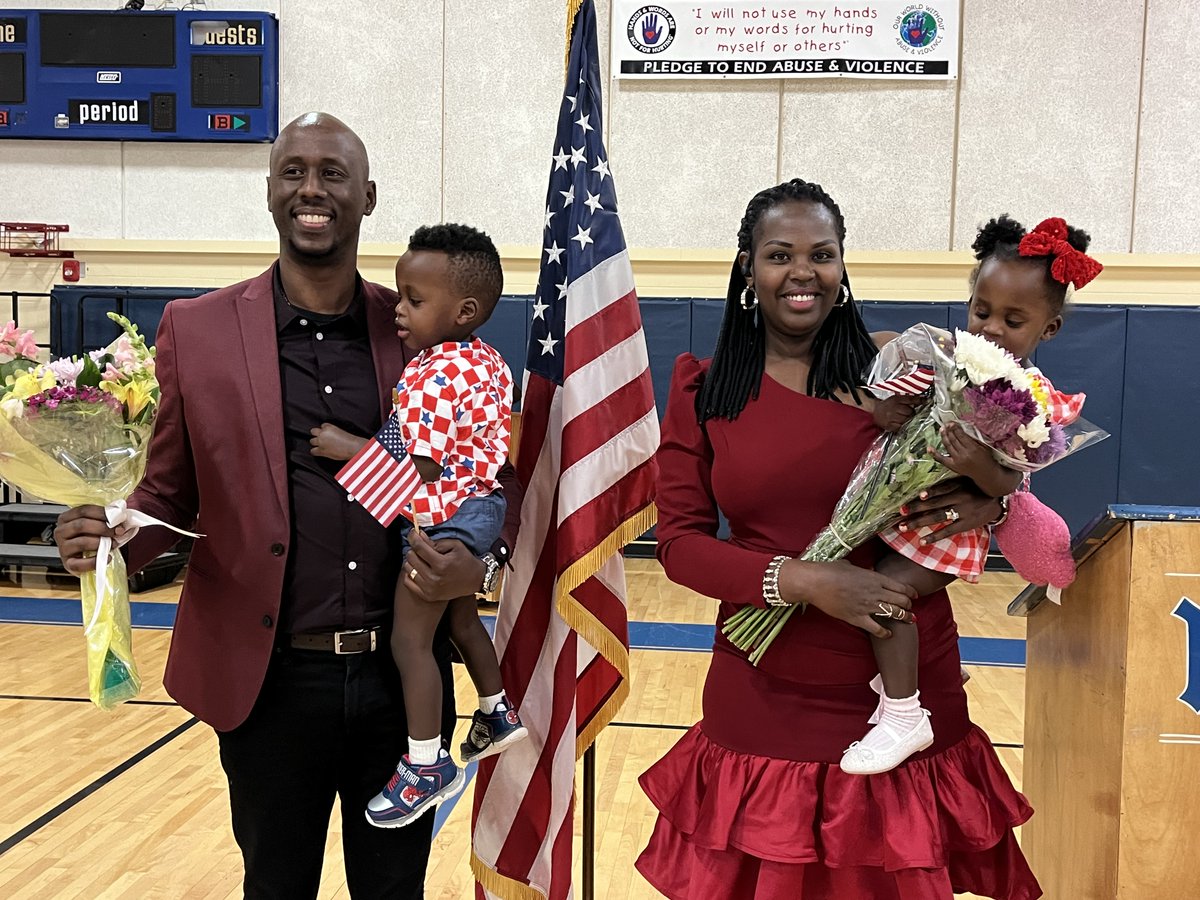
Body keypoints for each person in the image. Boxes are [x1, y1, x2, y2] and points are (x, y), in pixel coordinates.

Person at [52, 112, 523, 899]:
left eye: (333, 173)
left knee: (393, 890)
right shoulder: (195, 330)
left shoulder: (418, 326)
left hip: (396, 676)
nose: (313, 188)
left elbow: (482, 470)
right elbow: (167, 491)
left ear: (367, 196)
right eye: (294, 170)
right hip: (267, 681)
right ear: (268, 190)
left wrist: (479, 558)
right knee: (274, 886)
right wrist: (105, 540)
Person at [635, 178, 1042, 899]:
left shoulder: (900, 371)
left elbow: (997, 461)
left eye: (822, 254)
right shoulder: (704, 389)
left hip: (900, 679)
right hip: (763, 689)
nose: (802, 272)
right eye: (779, 254)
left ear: (842, 266)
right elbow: (680, 544)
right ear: (747, 266)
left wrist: (995, 495)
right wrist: (802, 580)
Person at [842, 214, 1101, 776]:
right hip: (892, 506)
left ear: (1048, 328)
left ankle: (904, 715)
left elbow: (1011, 482)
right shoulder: (948, 362)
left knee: (885, 596)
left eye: (1013, 320)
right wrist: (883, 402)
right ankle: (922, 674)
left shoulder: (1032, 403)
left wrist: (980, 466)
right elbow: (885, 394)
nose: (990, 330)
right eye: (981, 312)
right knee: (850, 578)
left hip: (947, 532)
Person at [310, 223, 528, 828]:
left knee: (411, 642)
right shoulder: (487, 360)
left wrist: (345, 446)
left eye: (412, 299)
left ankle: (426, 763)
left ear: (463, 310)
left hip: (443, 516)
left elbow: (419, 462)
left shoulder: (433, 373)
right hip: (480, 506)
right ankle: (497, 710)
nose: (398, 309)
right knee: (460, 619)